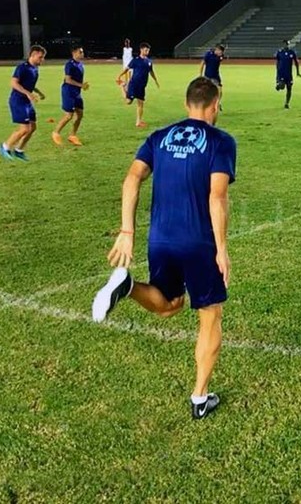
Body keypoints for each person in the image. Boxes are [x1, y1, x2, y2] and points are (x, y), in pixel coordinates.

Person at [92, 76, 236, 420]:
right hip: (199, 241)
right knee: (210, 315)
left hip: (161, 238)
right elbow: (217, 197)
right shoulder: (220, 141)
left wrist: (127, 229)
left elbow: (131, 178)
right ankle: (200, 397)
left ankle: (127, 286)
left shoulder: (159, 137)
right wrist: (221, 248)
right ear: (215, 105)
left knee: (169, 304)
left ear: (187, 104)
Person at [0, 45, 46, 161]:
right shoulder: (22, 67)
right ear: (33, 55)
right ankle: (5, 147)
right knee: (25, 129)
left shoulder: (35, 68)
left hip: (27, 101)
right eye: (40, 57)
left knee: (33, 127)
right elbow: (14, 83)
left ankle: (19, 150)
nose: (42, 60)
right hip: (18, 101)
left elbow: (29, 84)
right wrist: (28, 93)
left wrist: (38, 92)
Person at [53, 45, 90, 146]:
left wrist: (81, 86)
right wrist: (81, 85)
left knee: (80, 114)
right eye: (80, 52)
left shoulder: (80, 64)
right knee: (69, 115)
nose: (82, 54)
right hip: (68, 91)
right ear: (74, 53)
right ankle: (55, 133)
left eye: (82, 52)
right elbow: (68, 80)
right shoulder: (70, 65)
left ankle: (72, 135)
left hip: (76, 92)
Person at [116, 42, 159, 128]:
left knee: (141, 103)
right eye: (146, 50)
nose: (147, 52)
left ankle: (138, 122)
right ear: (141, 50)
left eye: (148, 50)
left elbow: (151, 72)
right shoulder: (135, 60)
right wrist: (119, 76)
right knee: (128, 102)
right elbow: (126, 69)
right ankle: (122, 86)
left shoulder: (149, 62)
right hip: (134, 84)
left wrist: (155, 80)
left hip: (142, 86)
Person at [274, 40, 301, 109]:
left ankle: (287, 103)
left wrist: (297, 72)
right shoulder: (280, 52)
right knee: (282, 86)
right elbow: (277, 62)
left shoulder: (292, 52)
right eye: (283, 44)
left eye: (286, 44)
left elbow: (296, 62)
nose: (284, 45)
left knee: (289, 88)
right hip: (281, 73)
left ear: (288, 45)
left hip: (289, 74)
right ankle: (278, 86)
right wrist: (277, 72)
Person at [199, 44, 226, 111]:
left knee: (219, 90)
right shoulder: (208, 54)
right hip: (207, 76)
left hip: (215, 76)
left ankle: (217, 102)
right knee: (207, 91)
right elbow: (202, 63)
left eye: (222, 52)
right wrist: (200, 74)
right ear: (217, 50)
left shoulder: (220, 57)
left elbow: (219, 58)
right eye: (220, 51)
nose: (221, 53)